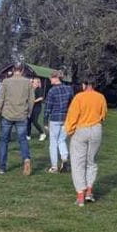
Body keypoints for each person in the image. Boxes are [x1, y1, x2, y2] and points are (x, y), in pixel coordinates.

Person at [64, 76, 107, 206]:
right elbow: (103, 115)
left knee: (78, 163)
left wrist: (69, 131)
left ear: (84, 85)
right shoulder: (100, 97)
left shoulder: (79, 97)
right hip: (96, 129)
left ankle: (80, 196)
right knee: (91, 161)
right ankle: (89, 191)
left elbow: (72, 116)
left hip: (81, 129)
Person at [0, 63, 35, 175]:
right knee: (23, 139)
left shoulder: (6, 82)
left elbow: (0, 99)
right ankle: (26, 158)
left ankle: (2, 167)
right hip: (22, 115)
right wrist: (29, 113)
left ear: (13, 69)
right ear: (23, 70)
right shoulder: (28, 83)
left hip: (7, 114)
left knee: (4, 141)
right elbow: (31, 100)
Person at [43, 71, 73, 173]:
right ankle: (64, 159)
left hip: (55, 118)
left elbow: (48, 107)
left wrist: (45, 121)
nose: (50, 79)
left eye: (51, 78)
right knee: (62, 140)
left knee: (53, 142)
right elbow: (72, 104)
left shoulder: (52, 91)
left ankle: (54, 167)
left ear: (56, 78)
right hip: (66, 118)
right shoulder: (69, 89)